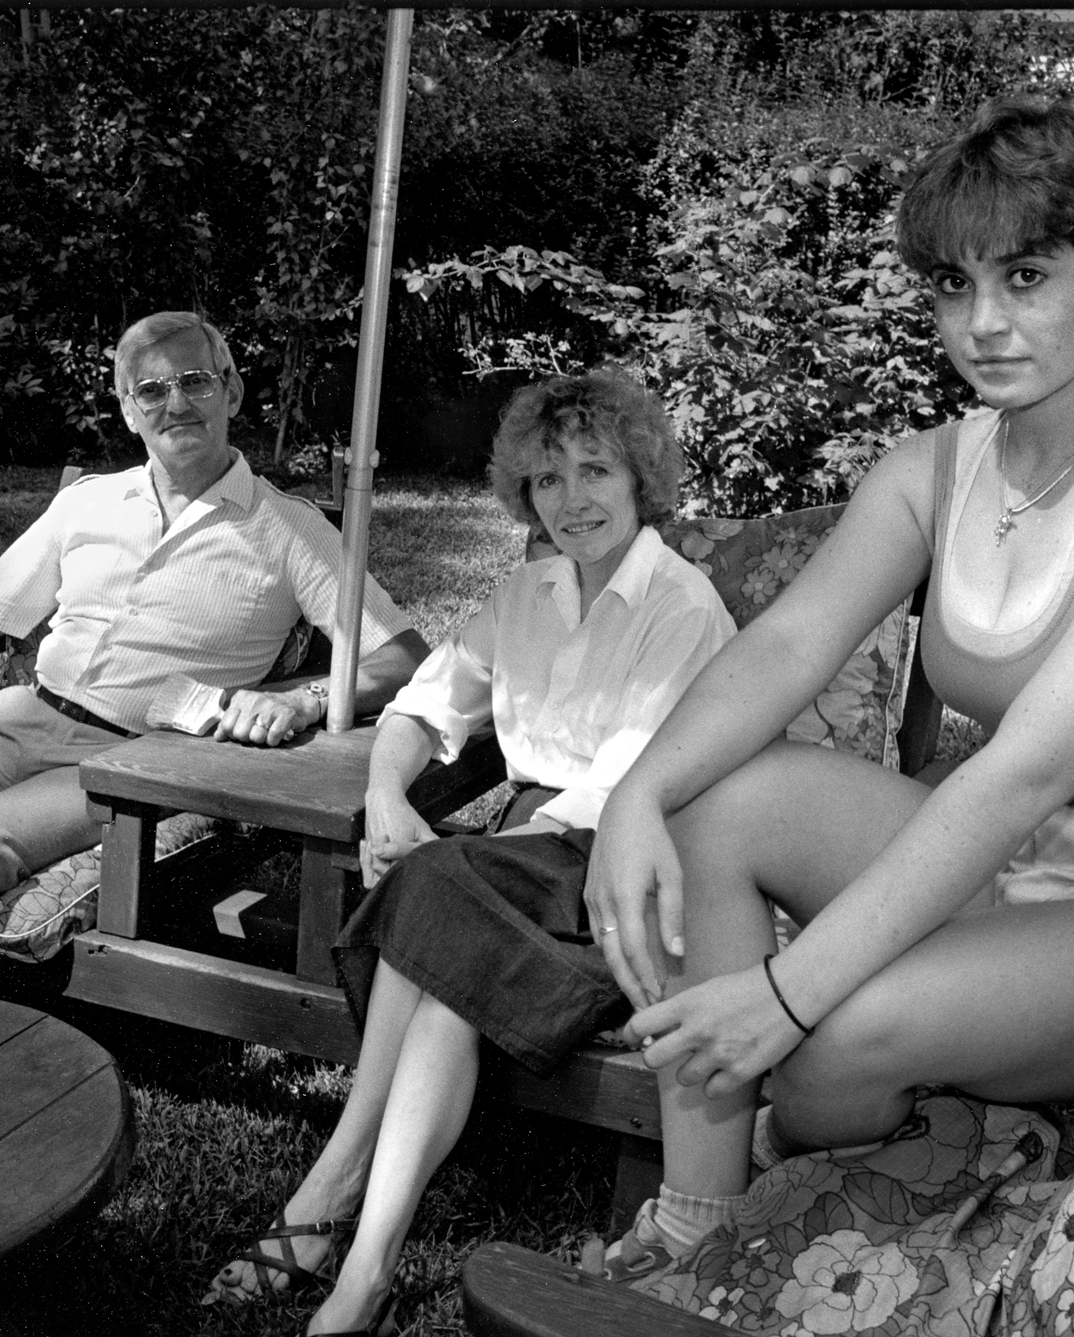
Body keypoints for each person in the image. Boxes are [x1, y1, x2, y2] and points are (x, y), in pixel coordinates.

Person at [582, 93, 1074, 1278]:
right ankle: (690, 1223)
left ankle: (871, 1117)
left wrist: (783, 993)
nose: (982, 323)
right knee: (719, 802)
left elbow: (1023, 773)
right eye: (951, 287)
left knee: (830, 1044)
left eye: (1023, 277)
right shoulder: (933, 466)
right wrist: (634, 798)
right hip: (1005, 861)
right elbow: (780, 647)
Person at [202, 369, 736, 1335]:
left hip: (630, 871)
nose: (572, 500)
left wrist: (443, 859)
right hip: (525, 862)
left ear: (641, 478)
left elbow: (624, 788)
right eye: (547, 479)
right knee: (446, 959)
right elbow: (425, 702)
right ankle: (367, 1268)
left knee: (438, 887)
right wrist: (383, 791)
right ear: (523, 493)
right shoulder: (526, 590)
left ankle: (329, 1186)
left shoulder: (682, 606)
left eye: (595, 470)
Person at [0, 311, 429, 1003]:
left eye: (195, 381)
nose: (176, 403)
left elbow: (403, 657)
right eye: (151, 390)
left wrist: (298, 698)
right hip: (12, 729)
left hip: (126, 765)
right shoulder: (90, 503)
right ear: (130, 412)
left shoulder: (287, 529)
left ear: (233, 390)